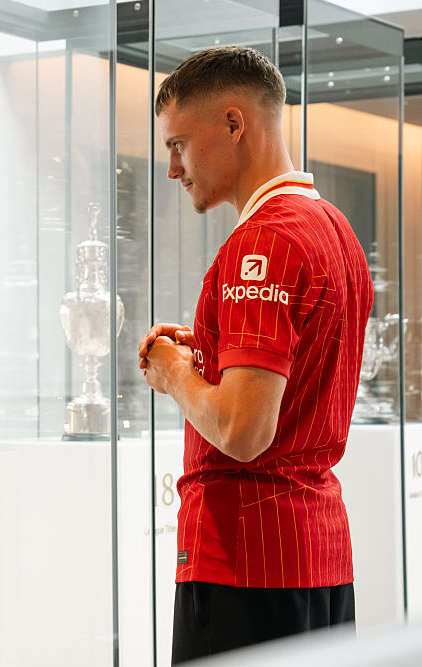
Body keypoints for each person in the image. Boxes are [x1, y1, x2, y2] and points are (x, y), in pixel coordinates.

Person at [138, 45, 372, 663]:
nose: (173, 168)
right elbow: (297, 379)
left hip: (245, 562)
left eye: (178, 144)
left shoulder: (262, 241)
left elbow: (243, 431)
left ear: (234, 123)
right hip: (318, 558)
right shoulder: (336, 229)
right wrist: (212, 355)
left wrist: (174, 373)